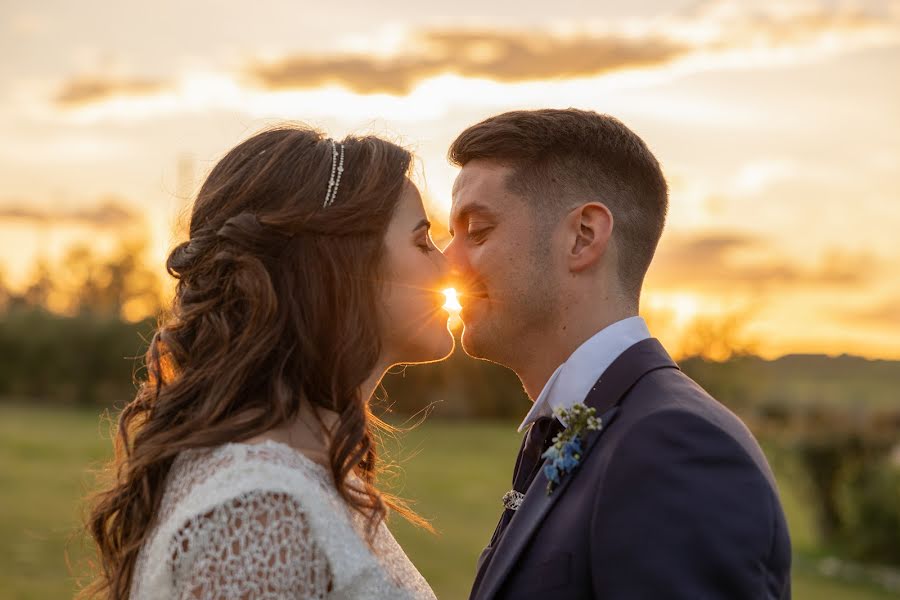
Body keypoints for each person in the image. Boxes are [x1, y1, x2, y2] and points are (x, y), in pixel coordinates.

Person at [83, 125, 452, 599]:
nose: (449, 266)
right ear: (341, 266)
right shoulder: (260, 511)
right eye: (423, 242)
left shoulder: (306, 471)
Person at [443, 108, 792, 599]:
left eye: (476, 231)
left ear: (583, 236)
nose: (446, 264)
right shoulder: (579, 426)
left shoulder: (673, 448)